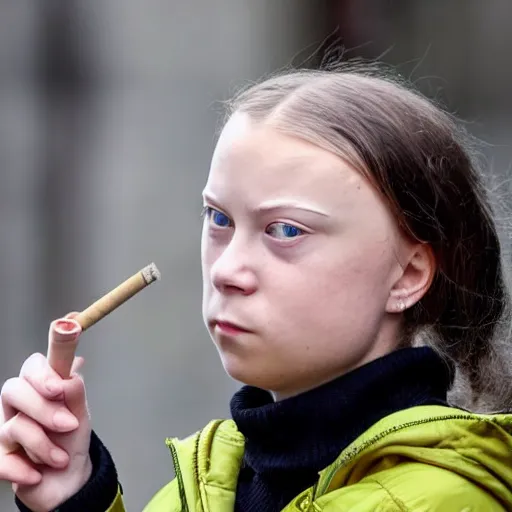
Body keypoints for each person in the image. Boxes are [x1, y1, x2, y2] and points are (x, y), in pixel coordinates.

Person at [2, 62, 512, 512]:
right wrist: (77, 498)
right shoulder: (207, 486)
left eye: (285, 230)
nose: (227, 270)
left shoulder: (435, 502)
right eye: (218, 218)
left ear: (408, 275)